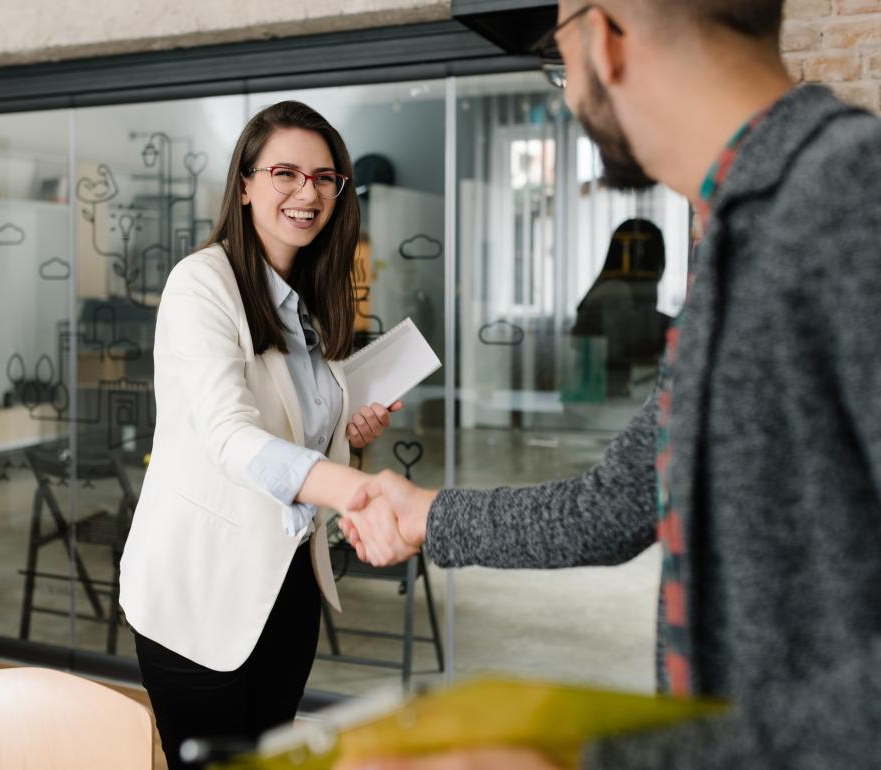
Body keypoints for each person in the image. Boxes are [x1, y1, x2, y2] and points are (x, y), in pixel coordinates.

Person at [339, 0, 881, 768]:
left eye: (559, 57)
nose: (567, 90)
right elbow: (610, 508)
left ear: (605, 35)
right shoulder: (733, 239)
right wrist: (425, 513)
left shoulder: (850, 200)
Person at [118, 100, 401, 770]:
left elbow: (295, 428)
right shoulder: (201, 285)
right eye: (286, 173)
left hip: (287, 582)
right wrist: (359, 488)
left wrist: (348, 435)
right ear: (244, 185)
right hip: (198, 592)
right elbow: (229, 434)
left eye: (325, 177)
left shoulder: (311, 298)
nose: (308, 192)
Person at [571, 218, 671, 397]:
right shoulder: (615, 290)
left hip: (606, 398)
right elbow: (628, 338)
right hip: (597, 403)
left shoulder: (614, 289)